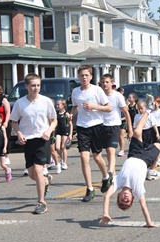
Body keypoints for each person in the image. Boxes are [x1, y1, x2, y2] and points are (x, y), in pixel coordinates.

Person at [99, 111, 160, 228]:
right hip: (145, 159)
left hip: (134, 154)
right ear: (133, 198)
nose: (125, 198)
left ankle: (148, 111)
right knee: (158, 146)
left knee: (137, 132)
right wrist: (148, 222)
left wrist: (105, 214)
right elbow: (143, 205)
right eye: (127, 201)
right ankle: (151, 170)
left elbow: (106, 196)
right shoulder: (137, 189)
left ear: (119, 195)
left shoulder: (118, 182)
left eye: (122, 200)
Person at [10, 73, 57, 214]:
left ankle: (41, 202)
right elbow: (14, 121)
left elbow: (54, 120)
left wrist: (48, 131)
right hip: (28, 140)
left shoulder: (46, 101)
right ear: (26, 86)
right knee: (31, 174)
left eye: (38, 85)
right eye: (33, 85)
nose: (36, 88)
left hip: (42, 139)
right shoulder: (20, 103)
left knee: (38, 168)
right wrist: (19, 133)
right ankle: (46, 180)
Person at [71, 65, 112, 202]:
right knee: (84, 157)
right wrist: (71, 114)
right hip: (82, 127)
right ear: (78, 76)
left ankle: (106, 177)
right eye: (81, 75)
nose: (84, 77)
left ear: (91, 77)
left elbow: (108, 108)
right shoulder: (75, 92)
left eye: (86, 75)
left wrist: (94, 106)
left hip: (96, 125)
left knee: (97, 157)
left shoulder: (97, 90)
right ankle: (89, 189)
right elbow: (75, 107)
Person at [100, 74, 133, 175]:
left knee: (111, 151)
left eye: (107, 82)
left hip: (114, 125)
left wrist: (130, 129)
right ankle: (112, 172)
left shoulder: (117, 96)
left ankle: (110, 173)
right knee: (107, 151)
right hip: (101, 125)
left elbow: (126, 112)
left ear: (112, 83)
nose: (105, 84)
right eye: (103, 82)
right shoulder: (99, 95)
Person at [133, 100, 160, 180]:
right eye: (138, 109)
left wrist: (157, 133)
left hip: (150, 132)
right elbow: (135, 127)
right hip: (142, 133)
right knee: (143, 148)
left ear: (145, 108)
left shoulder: (149, 115)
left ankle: (156, 160)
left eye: (141, 108)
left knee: (154, 147)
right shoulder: (137, 116)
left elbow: (154, 124)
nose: (140, 110)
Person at [55, 99, 73, 170]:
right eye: (56, 104)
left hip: (65, 131)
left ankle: (64, 163)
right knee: (57, 147)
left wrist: (70, 134)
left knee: (63, 147)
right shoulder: (56, 113)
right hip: (58, 131)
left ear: (63, 105)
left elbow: (70, 124)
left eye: (58, 104)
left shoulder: (66, 114)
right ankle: (62, 158)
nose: (57, 106)